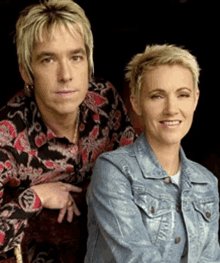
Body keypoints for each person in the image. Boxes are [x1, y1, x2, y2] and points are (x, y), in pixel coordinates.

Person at [0, 0, 136, 262]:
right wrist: (36, 196)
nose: (66, 75)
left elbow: (135, 171)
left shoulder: (105, 101)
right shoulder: (7, 133)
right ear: (27, 72)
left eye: (75, 57)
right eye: (48, 59)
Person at [85, 44, 220, 262]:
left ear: (195, 99)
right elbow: (137, 257)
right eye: (157, 96)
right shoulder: (113, 170)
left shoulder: (206, 182)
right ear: (137, 103)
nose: (171, 109)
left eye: (182, 95)